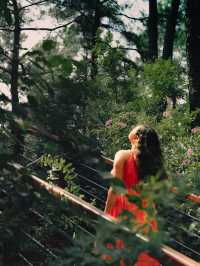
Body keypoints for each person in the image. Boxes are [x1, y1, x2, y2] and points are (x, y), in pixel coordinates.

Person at [103, 124, 166, 266]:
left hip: (124, 209)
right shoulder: (153, 162)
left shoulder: (122, 155)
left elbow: (114, 189)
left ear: (136, 137)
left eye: (136, 127)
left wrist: (105, 216)